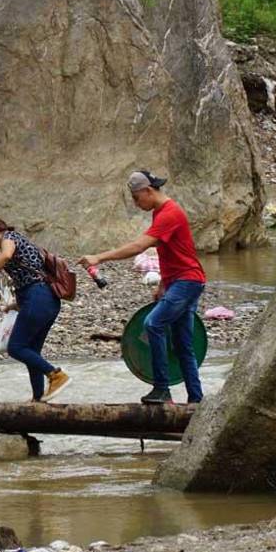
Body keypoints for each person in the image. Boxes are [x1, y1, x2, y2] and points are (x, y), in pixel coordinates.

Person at [78, 171, 206, 404]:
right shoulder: (161, 212)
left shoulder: (170, 213)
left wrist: (99, 257)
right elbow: (170, 253)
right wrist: (164, 284)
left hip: (187, 282)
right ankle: (195, 400)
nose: (136, 204)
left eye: (137, 198)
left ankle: (162, 389)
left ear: (148, 191)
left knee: (153, 324)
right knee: (182, 345)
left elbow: (139, 246)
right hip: (184, 281)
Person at [0, 215, 71, 402]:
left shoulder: (9, 237)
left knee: (16, 347)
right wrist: (17, 304)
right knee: (31, 351)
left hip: (38, 297)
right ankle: (38, 398)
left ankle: (56, 375)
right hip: (46, 299)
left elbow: (6, 256)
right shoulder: (19, 240)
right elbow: (28, 277)